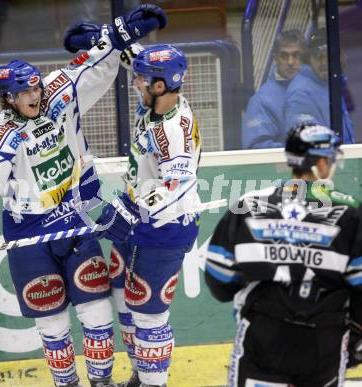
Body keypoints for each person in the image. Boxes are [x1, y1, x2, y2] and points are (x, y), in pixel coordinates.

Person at [0, 4, 167, 387]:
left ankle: (101, 383)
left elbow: (94, 64)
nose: (35, 95)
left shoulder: (57, 94)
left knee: (98, 314)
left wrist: (121, 33)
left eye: (35, 86)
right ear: (7, 99)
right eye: (24, 92)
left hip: (76, 219)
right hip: (29, 235)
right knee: (51, 324)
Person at [66, 31, 202, 385]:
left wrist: (130, 208)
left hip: (165, 228)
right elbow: (136, 58)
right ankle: (141, 375)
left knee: (148, 312)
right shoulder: (158, 99)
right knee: (123, 300)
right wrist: (105, 36)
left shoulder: (175, 131)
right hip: (137, 219)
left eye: (142, 80)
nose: (136, 82)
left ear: (159, 86)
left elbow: (177, 185)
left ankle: (152, 383)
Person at [205, 123, 362, 386]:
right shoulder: (352, 212)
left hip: (263, 335)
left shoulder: (249, 204)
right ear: (321, 162)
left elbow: (219, 276)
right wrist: (360, 330)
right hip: (324, 342)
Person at [284, 28, 355, 144]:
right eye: (317, 56)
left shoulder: (330, 84)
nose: (323, 63)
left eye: (327, 56)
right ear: (309, 59)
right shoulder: (301, 92)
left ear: (341, 57)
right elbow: (307, 142)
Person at [242, 30, 306, 149]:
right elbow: (256, 149)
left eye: (296, 55)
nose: (290, 62)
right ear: (275, 58)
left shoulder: (321, 90)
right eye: (284, 56)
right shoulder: (261, 101)